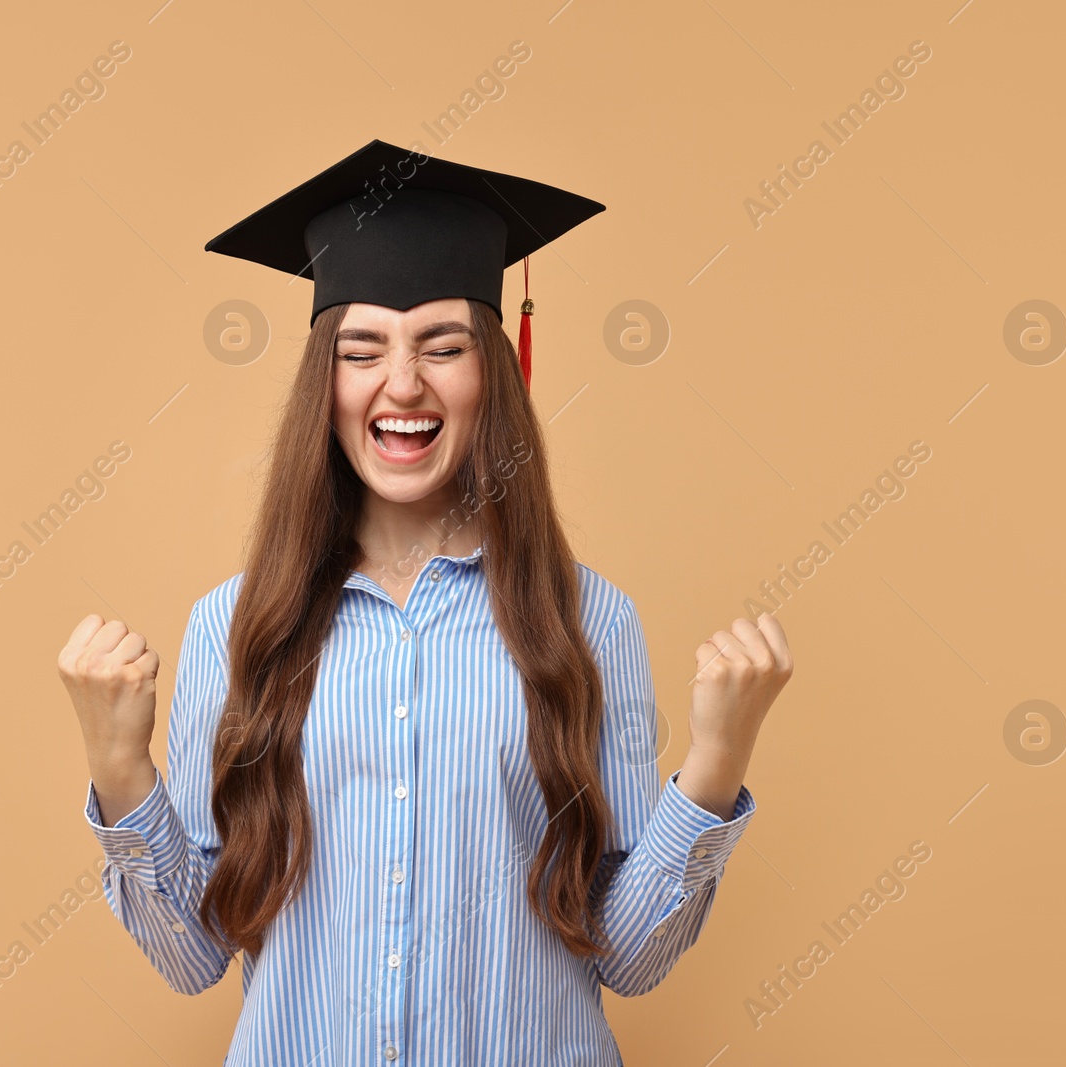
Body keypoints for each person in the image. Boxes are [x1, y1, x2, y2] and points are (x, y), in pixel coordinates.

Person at [57, 139, 794, 1065]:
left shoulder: (587, 621)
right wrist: (118, 766)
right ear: (323, 382)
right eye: (362, 350)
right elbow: (193, 954)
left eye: (443, 347)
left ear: (494, 371)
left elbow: (632, 959)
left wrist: (717, 763)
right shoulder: (236, 627)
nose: (402, 384)